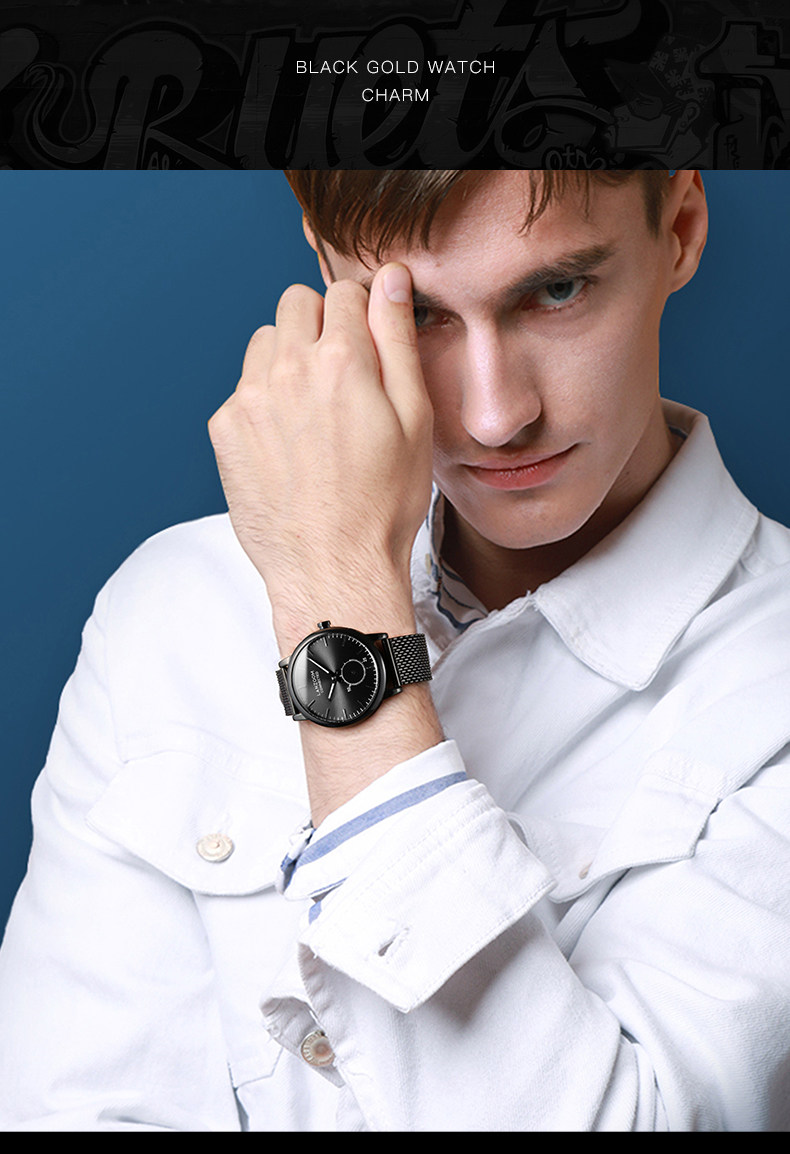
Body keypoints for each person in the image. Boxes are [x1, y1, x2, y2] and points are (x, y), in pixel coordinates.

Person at [1, 168, 789, 1132]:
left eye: (557, 291)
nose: (497, 416)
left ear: (682, 227)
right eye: (417, 313)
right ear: (326, 270)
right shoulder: (173, 608)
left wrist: (338, 604)